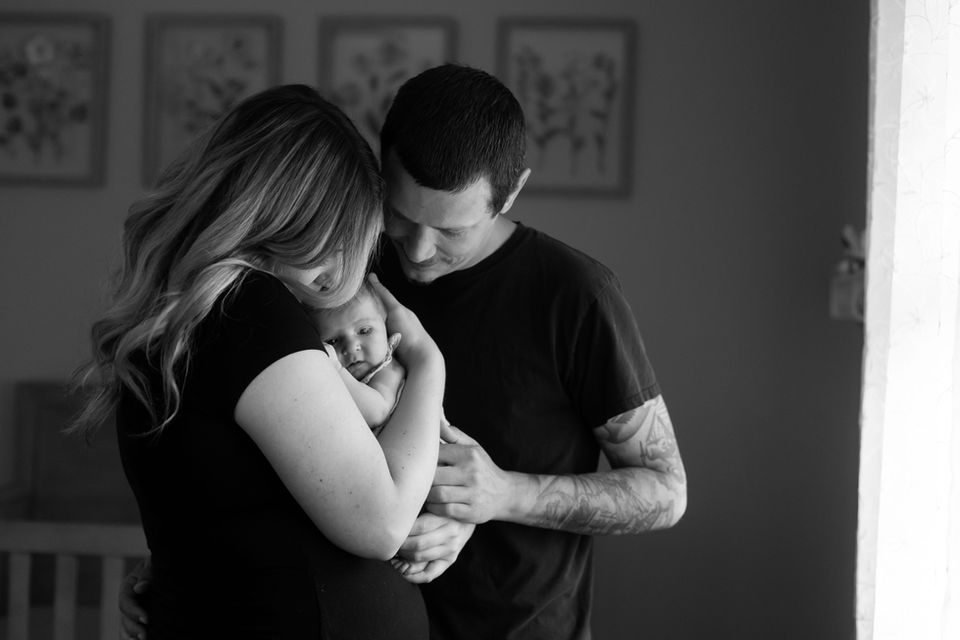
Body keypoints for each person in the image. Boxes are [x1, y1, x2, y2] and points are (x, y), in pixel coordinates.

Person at [121, 64, 687, 640]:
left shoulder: (575, 296)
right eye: (399, 216)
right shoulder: (337, 268)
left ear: (510, 194)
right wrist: (187, 565)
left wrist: (500, 495)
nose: (416, 251)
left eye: (451, 232)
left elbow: (665, 491)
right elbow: (270, 444)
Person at [75, 84, 446, 639]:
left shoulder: (191, 314)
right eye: (338, 232)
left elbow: (226, 505)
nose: (344, 262)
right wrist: (428, 363)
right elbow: (383, 522)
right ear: (284, 208)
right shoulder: (251, 310)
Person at [314, 282, 406, 433]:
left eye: (364, 331)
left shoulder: (388, 370)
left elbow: (377, 414)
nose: (351, 347)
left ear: (384, 323)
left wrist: (336, 367)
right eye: (333, 342)